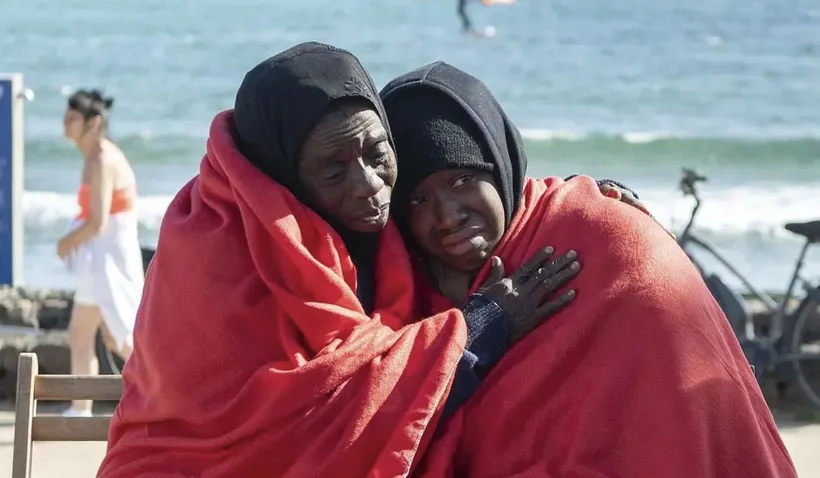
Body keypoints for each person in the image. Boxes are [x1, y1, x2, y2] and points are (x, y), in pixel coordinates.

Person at [96, 42, 592, 478]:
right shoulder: (216, 251)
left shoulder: (370, 226)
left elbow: (472, 181)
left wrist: (580, 202)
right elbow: (304, 428)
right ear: (281, 176)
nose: (369, 185)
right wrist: (481, 327)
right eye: (334, 173)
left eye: (377, 152)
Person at [380, 62, 798, 477]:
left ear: (500, 162)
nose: (447, 216)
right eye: (418, 200)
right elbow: (379, 418)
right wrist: (481, 327)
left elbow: (680, 418)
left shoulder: (603, 239)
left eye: (463, 180)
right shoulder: (402, 291)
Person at [58, 89, 145, 417]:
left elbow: (98, 221)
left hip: (109, 260)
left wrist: (65, 243)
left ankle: (163, 396)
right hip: (100, 258)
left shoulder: (102, 159)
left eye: (72, 118)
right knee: (83, 333)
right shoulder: (94, 155)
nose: (65, 123)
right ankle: (80, 408)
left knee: (120, 336)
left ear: (93, 123)